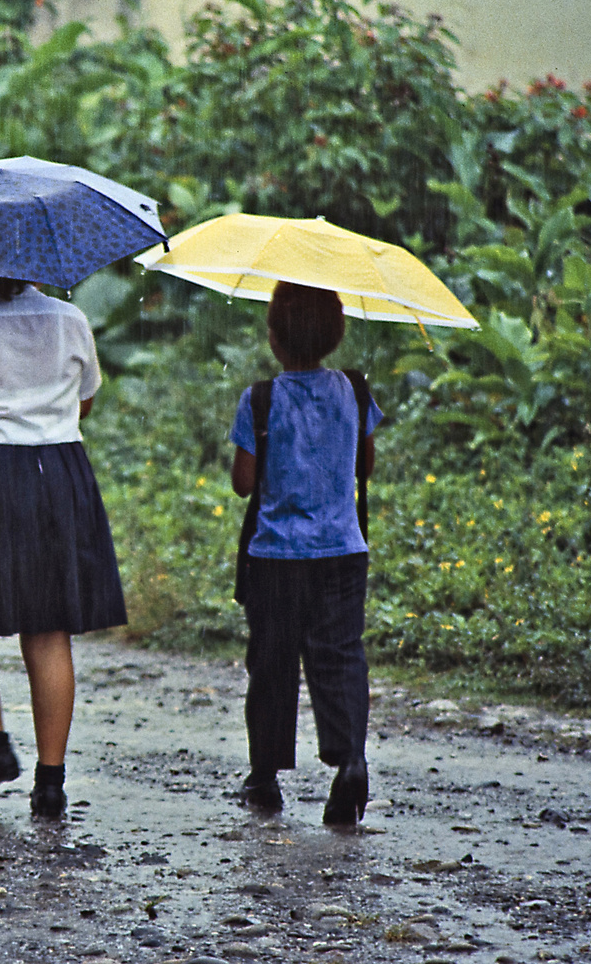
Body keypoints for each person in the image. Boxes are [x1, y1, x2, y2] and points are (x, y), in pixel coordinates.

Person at [0, 273, 127, 819]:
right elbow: (83, 403)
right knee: (48, 625)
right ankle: (50, 780)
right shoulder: (72, 320)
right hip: (60, 471)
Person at [229, 281, 381, 826]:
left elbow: (244, 483)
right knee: (340, 656)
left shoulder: (261, 399)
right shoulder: (356, 391)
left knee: (272, 661)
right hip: (343, 550)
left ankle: (265, 776)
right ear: (336, 333)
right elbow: (364, 466)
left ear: (273, 338)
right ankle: (351, 762)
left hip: (276, 556)